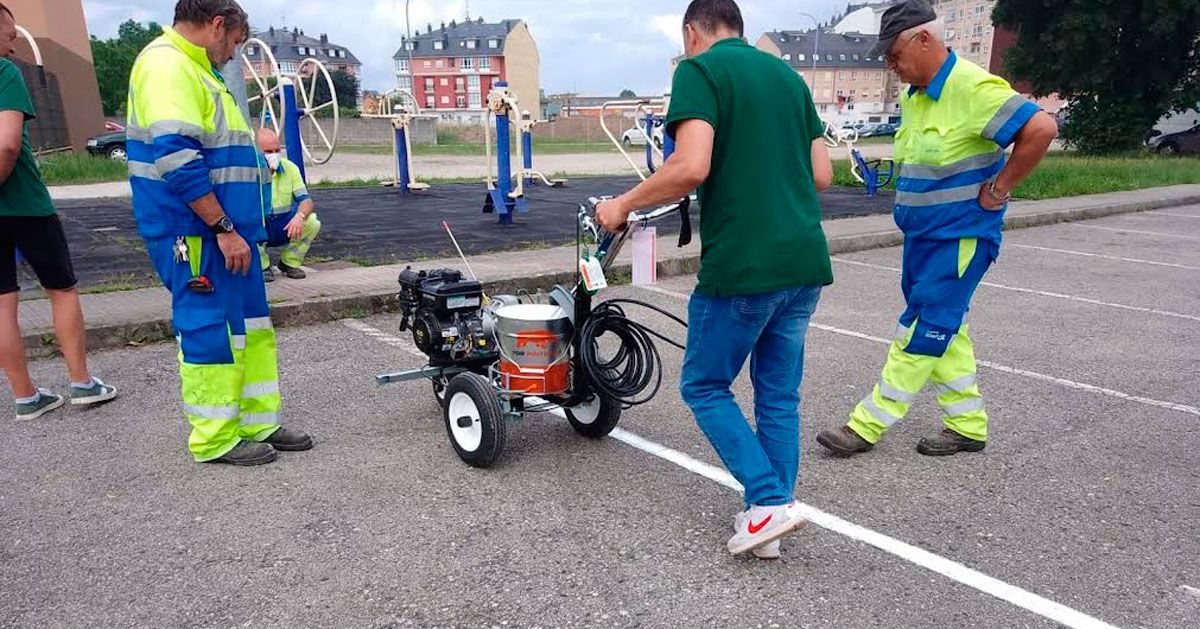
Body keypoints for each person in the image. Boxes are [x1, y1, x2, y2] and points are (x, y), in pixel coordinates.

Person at [595, 0, 834, 558]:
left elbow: (691, 166)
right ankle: (768, 516)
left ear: (692, 33)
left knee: (703, 386)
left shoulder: (699, 72)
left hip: (744, 265)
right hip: (803, 263)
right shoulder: (788, 77)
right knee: (778, 395)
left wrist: (623, 206)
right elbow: (821, 174)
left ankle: (769, 501)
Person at [816, 0, 1056, 458]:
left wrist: (1000, 188)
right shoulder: (915, 95)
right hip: (922, 239)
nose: (891, 67)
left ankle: (866, 425)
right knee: (948, 328)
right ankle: (967, 424)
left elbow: (1040, 128)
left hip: (960, 237)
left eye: (894, 55)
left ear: (924, 39)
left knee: (922, 328)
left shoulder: (971, 86)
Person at [127, 0, 312, 466]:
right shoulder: (167, 66)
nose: (233, 54)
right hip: (197, 233)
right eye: (234, 42)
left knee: (250, 327)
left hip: (229, 234)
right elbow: (177, 159)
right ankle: (214, 437)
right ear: (215, 26)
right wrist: (223, 227)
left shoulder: (197, 70)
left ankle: (256, 422)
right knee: (209, 329)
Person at [0, 3, 117, 420]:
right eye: (10, 36)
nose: (13, 46)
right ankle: (83, 381)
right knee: (62, 289)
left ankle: (26, 396)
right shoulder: (4, 73)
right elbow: (8, 144)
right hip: (25, 205)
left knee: (1, 304)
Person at [255, 128, 320, 282]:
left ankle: (289, 262)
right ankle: (262, 266)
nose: (274, 155)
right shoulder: (249, 171)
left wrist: (299, 216)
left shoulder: (290, 168)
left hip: (283, 224)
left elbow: (306, 201)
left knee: (312, 222)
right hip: (260, 225)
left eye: (277, 150)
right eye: (268, 151)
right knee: (245, 226)